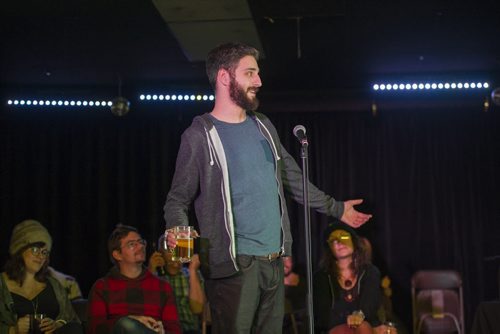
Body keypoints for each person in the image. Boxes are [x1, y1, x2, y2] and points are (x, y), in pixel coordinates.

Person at [163, 41, 372, 333]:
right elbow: (177, 199)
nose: (258, 81)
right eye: (249, 73)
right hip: (234, 265)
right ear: (225, 77)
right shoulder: (200, 136)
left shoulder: (263, 126)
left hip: (274, 261)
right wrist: (175, 228)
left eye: (258, 73)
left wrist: (336, 208)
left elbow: (292, 177)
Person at [87, 224, 181, 334]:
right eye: (132, 244)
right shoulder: (102, 287)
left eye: (141, 242)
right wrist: (131, 321)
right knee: (126, 324)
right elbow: (95, 329)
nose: (140, 247)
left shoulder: (163, 287)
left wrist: (162, 330)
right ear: (117, 255)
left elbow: (175, 329)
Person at [0, 219, 83, 334]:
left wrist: (57, 324)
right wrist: (12, 330)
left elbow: (72, 319)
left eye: (44, 252)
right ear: (19, 250)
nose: (40, 256)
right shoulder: (2, 284)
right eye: (35, 250)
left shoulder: (54, 285)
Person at [313, 221, 396, 334]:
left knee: (365, 326)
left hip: (366, 326)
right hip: (334, 328)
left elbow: (370, 306)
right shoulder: (321, 277)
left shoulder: (370, 272)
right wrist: (349, 319)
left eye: (343, 237)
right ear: (329, 247)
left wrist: (361, 317)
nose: (339, 242)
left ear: (353, 241)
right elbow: (323, 317)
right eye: (333, 240)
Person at [148, 235, 206, 334]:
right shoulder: (154, 276)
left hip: (189, 330)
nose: (175, 263)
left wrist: (193, 271)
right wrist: (151, 271)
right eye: (170, 252)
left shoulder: (190, 274)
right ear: (160, 254)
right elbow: (148, 308)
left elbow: (197, 309)